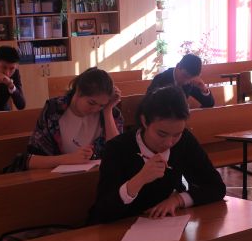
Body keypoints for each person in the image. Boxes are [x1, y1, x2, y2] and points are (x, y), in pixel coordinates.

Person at [89, 85, 226, 225]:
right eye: (162, 134)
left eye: (177, 134)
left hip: (163, 225)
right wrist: (139, 180)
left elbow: (216, 187)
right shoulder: (117, 148)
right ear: (144, 121)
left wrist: (178, 200)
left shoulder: (184, 140)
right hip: (121, 227)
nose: (169, 142)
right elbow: (103, 212)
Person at [7, 67, 123, 171]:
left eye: (101, 105)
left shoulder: (109, 112)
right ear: (78, 91)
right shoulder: (53, 110)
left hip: (96, 178)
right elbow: (31, 160)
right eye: (91, 103)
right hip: (54, 179)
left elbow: (118, 153)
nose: (96, 109)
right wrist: (69, 159)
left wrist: (107, 110)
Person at [146, 54, 215, 108]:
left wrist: (203, 89)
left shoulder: (191, 81)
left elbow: (209, 104)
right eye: (185, 76)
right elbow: (149, 104)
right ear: (178, 66)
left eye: (191, 78)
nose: (186, 81)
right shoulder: (161, 79)